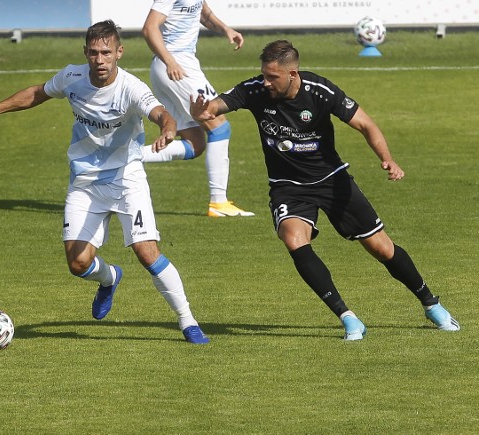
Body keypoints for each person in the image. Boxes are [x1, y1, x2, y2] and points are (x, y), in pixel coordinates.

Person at [190, 40, 460, 340]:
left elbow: (366, 125)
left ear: (292, 74)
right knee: (294, 240)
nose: (265, 82)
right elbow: (218, 105)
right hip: (288, 187)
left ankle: (430, 303)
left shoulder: (321, 91)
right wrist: (205, 111)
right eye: (264, 75)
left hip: (332, 180)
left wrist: (388, 160)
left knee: (382, 248)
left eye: (272, 77)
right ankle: (349, 318)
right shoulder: (255, 90)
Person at [0, 20, 210, 344]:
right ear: (85, 53)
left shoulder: (131, 88)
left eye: (106, 52)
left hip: (126, 180)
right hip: (85, 182)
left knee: (147, 252)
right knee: (78, 263)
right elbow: (38, 93)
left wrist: (167, 130)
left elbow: (162, 113)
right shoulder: (73, 77)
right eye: (93, 52)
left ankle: (188, 321)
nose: (100, 59)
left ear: (119, 52)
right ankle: (109, 278)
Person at [140, 0, 254, 218]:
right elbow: (149, 27)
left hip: (176, 65)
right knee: (219, 126)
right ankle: (218, 202)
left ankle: (128, 157)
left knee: (196, 143)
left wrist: (225, 29)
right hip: (177, 66)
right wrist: (170, 61)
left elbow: (203, 13)